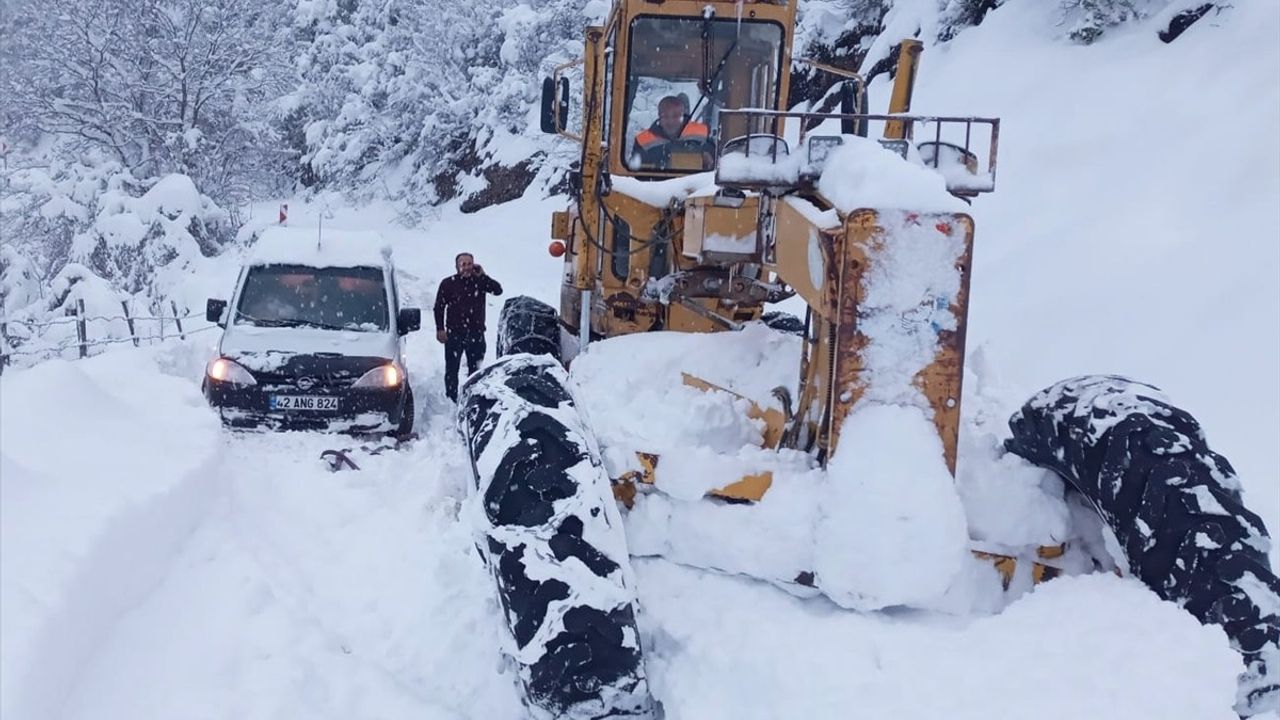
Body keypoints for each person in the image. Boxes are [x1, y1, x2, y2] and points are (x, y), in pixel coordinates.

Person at [434, 252, 503, 402]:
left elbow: (498, 290)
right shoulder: (448, 283)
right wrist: (440, 329)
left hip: (476, 333)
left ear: (474, 265)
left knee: (476, 370)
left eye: (469, 264)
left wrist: (483, 276)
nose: (466, 267)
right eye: (463, 264)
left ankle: (474, 398)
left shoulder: (480, 282)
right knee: (452, 369)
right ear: (457, 266)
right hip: (454, 334)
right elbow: (439, 307)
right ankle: (451, 399)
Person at [631, 95, 712, 170]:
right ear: (659, 116)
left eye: (676, 116)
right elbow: (637, 172)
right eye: (665, 116)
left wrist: (709, 160)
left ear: (683, 115)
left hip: (696, 184)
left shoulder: (703, 134)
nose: (670, 122)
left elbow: (716, 165)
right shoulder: (642, 141)